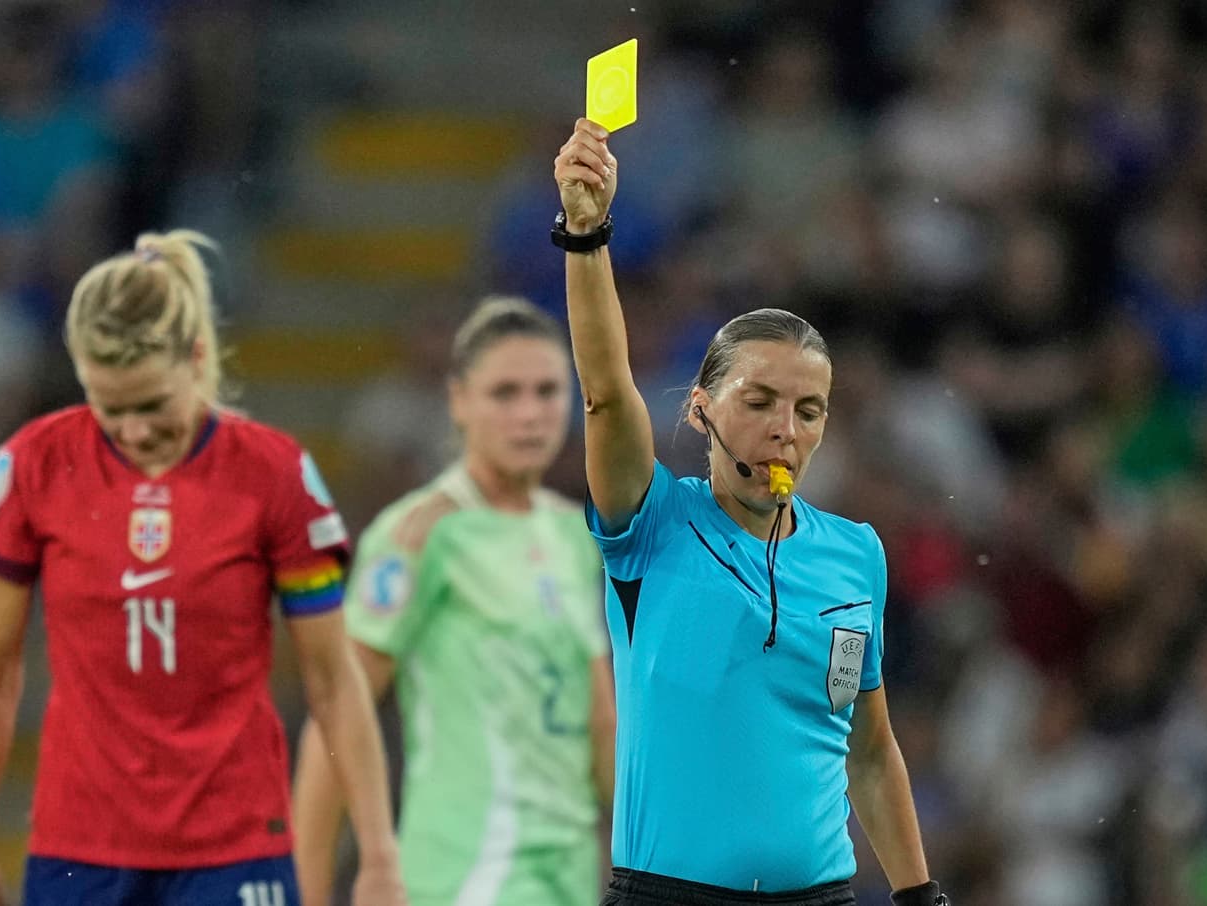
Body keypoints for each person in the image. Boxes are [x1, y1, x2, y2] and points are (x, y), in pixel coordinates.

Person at [551, 117, 950, 906]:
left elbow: (868, 753)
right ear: (701, 409)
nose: (784, 428)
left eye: (810, 409)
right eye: (759, 400)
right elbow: (603, 390)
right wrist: (587, 236)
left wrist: (918, 895)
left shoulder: (854, 553)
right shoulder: (651, 525)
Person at [0, 230, 405, 906]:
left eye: (152, 405)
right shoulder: (32, 467)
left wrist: (378, 859)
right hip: (80, 849)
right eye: (109, 409)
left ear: (196, 357)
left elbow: (334, 682)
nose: (132, 431)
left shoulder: (273, 475)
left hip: (235, 844)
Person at [292, 295, 617, 906]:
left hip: (569, 875)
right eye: (504, 393)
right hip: (464, 873)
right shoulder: (421, 532)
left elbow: (601, 724)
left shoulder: (575, 534)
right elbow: (338, 710)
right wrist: (309, 889)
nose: (529, 414)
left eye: (547, 391)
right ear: (459, 401)